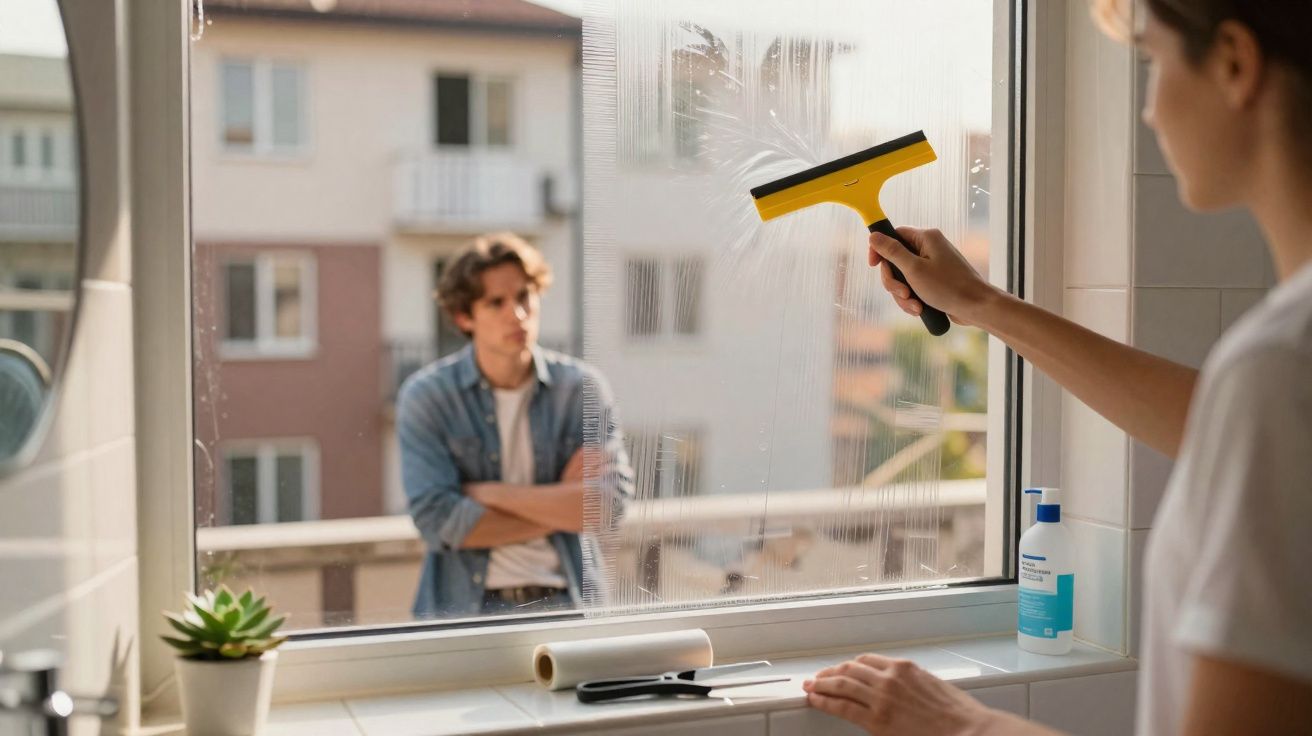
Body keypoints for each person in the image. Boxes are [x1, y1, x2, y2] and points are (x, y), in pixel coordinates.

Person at [804, 1, 1312, 734]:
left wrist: (967, 726)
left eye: (1154, 62)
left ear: (1235, 62)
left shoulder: (1281, 369)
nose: (1147, 110)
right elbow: (1218, 426)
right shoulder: (1281, 377)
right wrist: (979, 303)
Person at [397, 233, 633, 618]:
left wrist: (491, 494)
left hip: (570, 603)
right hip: (465, 613)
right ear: (464, 316)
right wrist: (561, 503)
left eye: (524, 297)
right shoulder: (429, 397)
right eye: (496, 303)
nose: (518, 314)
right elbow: (438, 521)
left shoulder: (580, 389)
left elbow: (607, 507)